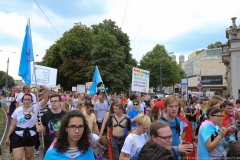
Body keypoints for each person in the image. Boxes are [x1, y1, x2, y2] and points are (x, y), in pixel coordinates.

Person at [5, 89, 49, 160]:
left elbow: (45, 99)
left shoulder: (34, 108)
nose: (27, 101)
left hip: (30, 136)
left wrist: (47, 90)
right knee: (17, 158)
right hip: (18, 135)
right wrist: (8, 137)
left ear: (32, 101)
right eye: (25, 99)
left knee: (29, 157)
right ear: (22, 100)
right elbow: (12, 125)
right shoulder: (18, 110)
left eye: (29, 99)